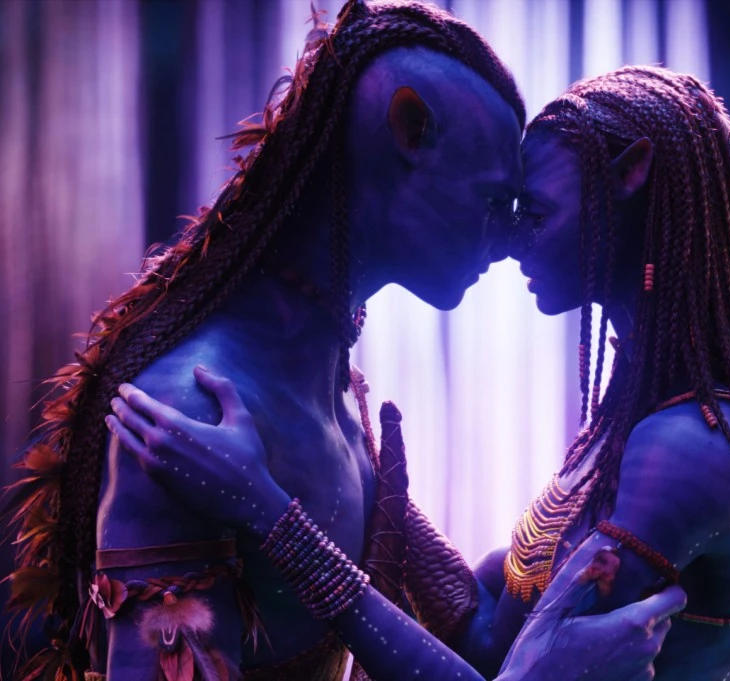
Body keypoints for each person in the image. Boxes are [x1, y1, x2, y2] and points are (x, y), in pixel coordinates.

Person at [4, 3, 683, 680]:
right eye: (492, 203)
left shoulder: (332, 389)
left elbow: (479, 634)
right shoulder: (190, 413)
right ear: (411, 131)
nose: (508, 242)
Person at [109, 66, 730, 680]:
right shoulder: (641, 416)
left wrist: (268, 511)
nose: (510, 241)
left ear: (630, 175)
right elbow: (492, 635)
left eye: (533, 212)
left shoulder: (694, 447)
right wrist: (383, 491)